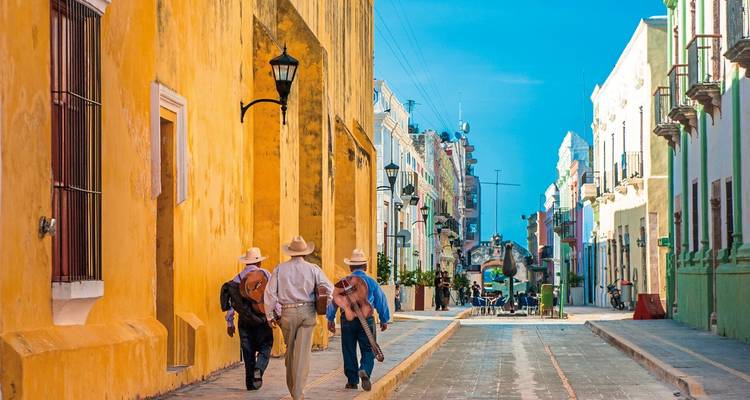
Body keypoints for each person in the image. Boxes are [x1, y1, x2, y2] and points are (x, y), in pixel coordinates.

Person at [264, 236, 334, 400]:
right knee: (302, 354)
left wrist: (269, 315)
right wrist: (327, 308)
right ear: (304, 252)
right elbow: (329, 290)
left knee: (290, 352)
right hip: (307, 312)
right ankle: (298, 392)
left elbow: (270, 293)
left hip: (287, 313)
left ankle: (292, 388)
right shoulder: (313, 269)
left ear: (291, 253)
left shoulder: (280, 269)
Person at [327, 249, 390, 392]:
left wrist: (330, 318)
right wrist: (384, 319)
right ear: (365, 267)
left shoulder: (343, 283)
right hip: (366, 319)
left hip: (347, 319)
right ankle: (365, 370)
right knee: (368, 348)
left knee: (348, 349)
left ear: (350, 267)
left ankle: (352, 381)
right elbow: (381, 300)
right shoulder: (371, 282)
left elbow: (334, 301)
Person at [221, 247, 276, 391]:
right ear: (259, 263)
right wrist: (275, 315)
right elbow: (272, 297)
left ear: (246, 262)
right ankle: (259, 368)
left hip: (244, 320)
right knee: (266, 345)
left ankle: (250, 384)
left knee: (248, 351)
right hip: (262, 318)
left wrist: (230, 322)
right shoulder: (265, 274)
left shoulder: (236, 279)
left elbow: (232, 304)